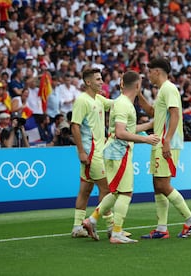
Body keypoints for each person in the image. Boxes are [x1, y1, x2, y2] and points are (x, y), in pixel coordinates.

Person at [83, 71, 160, 244]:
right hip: (119, 153)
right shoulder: (125, 105)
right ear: (138, 86)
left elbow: (126, 129)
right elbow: (120, 133)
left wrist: (148, 125)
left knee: (116, 192)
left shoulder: (122, 103)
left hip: (113, 152)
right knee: (126, 193)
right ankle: (116, 232)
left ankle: (92, 220)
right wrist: (145, 139)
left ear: (122, 84)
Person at [138, 57, 191, 239]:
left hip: (167, 142)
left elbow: (175, 114)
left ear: (157, 71)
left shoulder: (169, 89)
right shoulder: (163, 91)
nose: (149, 75)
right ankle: (161, 228)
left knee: (162, 184)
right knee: (157, 185)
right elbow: (153, 114)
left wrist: (167, 140)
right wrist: (139, 95)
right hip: (161, 141)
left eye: (150, 71)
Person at [70, 68, 114, 238]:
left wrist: (130, 90)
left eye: (101, 78)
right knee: (107, 189)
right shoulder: (82, 101)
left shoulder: (99, 98)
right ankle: (111, 227)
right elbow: (75, 126)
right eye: (98, 79)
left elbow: (116, 104)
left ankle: (77, 227)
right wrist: (81, 151)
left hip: (97, 151)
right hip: (91, 152)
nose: (101, 82)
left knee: (85, 189)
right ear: (88, 82)